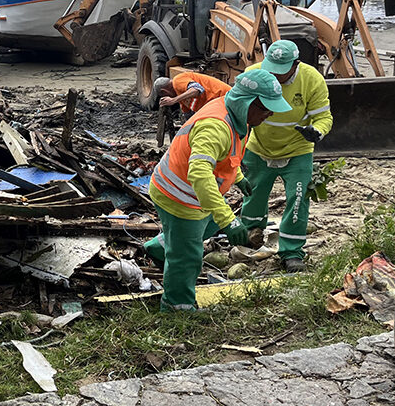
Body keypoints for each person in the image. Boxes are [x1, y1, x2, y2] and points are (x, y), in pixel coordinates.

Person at [143, 69, 292, 311]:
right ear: (247, 103)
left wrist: (239, 177)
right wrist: (228, 220)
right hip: (179, 195)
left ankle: (159, 248)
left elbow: (226, 155)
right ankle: (176, 308)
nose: (270, 113)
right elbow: (200, 174)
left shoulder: (236, 115)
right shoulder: (215, 126)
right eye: (265, 108)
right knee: (188, 256)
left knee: (204, 228)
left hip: (194, 194)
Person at [240, 40, 333, 272]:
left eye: (282, 72)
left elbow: (324, 117)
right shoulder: (253, 75)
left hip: (297, 150)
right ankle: (249, 236)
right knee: (253, 196)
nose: (276, 76)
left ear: (296, 64)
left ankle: (291, 252)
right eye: (272, 69)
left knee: (298, 200)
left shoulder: (311, 79)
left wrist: (317, 131)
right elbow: (236, 110)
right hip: (259, 147)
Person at [154, 72, 231, 114]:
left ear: (164, 91)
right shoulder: (180, 95)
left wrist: (173, 100)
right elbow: (188, 115)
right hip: (219, 103)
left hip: (225, 97)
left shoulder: (177, 81)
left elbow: (197, 89)